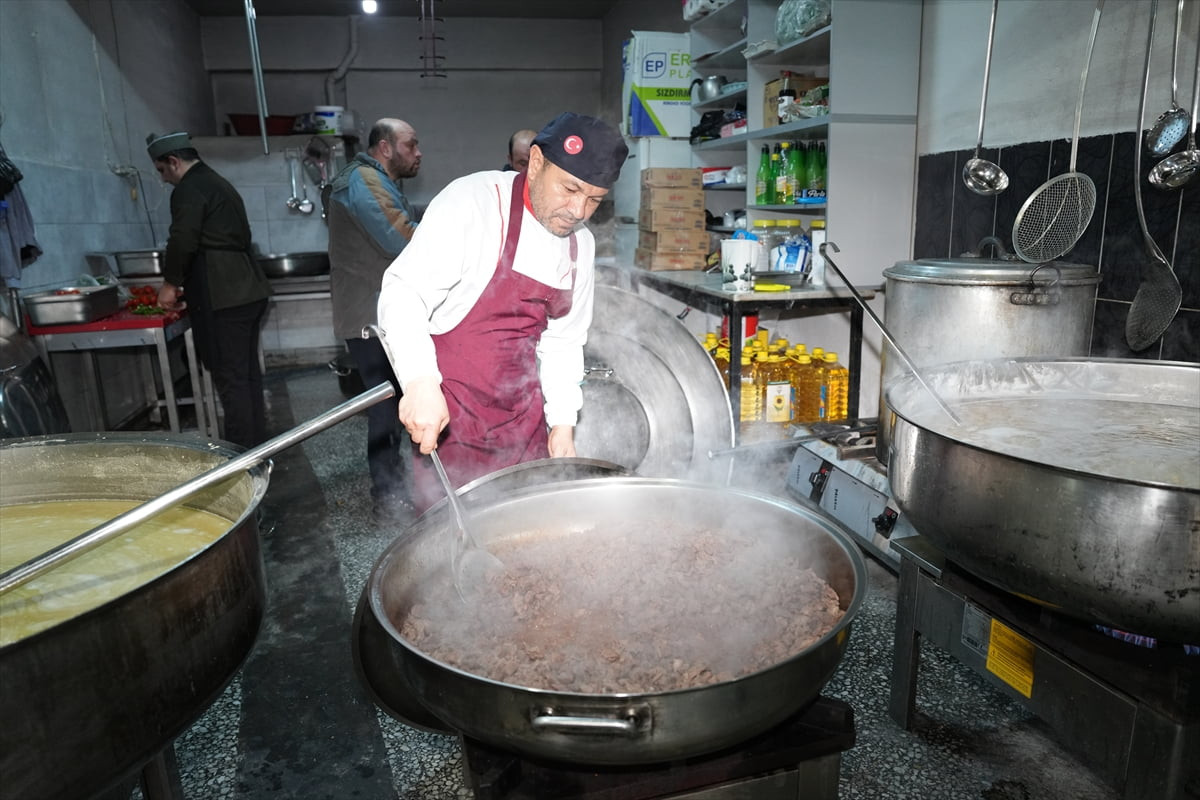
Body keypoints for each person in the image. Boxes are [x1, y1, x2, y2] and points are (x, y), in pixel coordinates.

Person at [377, 112, 628, 512]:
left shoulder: (581, 246)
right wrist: (421, 383)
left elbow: (564, 342)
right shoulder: (473, 203)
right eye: (569, 189)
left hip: (525, 426)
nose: (579, 211)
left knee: (530, 534)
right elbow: (404, 293)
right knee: (451, 546)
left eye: (594, 200)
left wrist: (562, 424)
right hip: (451, 420)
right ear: (536, 163)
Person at [147, 131, 271, 449]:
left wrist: (169, 284)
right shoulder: (217, 182)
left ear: (173, 162)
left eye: (162, 170)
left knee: (232, 381)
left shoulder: (189, 189)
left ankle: (241, 457)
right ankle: (257, 445)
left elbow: (183, 239)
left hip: (225, 294)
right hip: (246, 288)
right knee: (246, 377)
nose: (163, 179)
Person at [326, 118, 422, 521]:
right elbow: (399, 237)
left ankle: (400, 487)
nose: (418, 154)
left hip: (379, 312)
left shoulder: (373, 180)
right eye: (411, 145)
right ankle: (388, 497)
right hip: (372, 317)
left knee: (396, 404)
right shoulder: (363, 182)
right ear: (385, 147)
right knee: (385, 407)